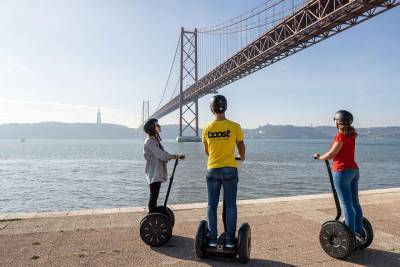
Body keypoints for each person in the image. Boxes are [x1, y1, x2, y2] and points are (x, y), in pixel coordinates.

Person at [314, 110, 365, 244]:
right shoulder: (352, 135)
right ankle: (359, 232)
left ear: (338, 122)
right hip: (354, 170)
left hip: (342, 172)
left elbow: (332, 154)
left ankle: (350, 234)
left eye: (335, 120)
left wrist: (319, 157)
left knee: (346, 204)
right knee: (355, 203)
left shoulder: (340, 136)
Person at [202, 95, 246, 248]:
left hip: (212, 168)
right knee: (230, 205)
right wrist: (241, 156)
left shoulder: (207, 128)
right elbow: (240, 145)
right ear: (225, 108)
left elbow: (207, 151)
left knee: (212, 205)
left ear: (211, 109)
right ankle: (229, 241)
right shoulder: (235, 126)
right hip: (229, 169)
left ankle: (213, 240)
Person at [143, 118, 184, 212]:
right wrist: (174, 157)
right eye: (157, 125)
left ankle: (153, 215)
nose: (159, 126)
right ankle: (152, 216)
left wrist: (176, 156)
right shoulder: (149, 142)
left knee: (155, 195)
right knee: (153, 196)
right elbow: (160, 154)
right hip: (154, 172)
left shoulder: (155, 141)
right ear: (152, 128)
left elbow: (163, 153)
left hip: (157, 171)